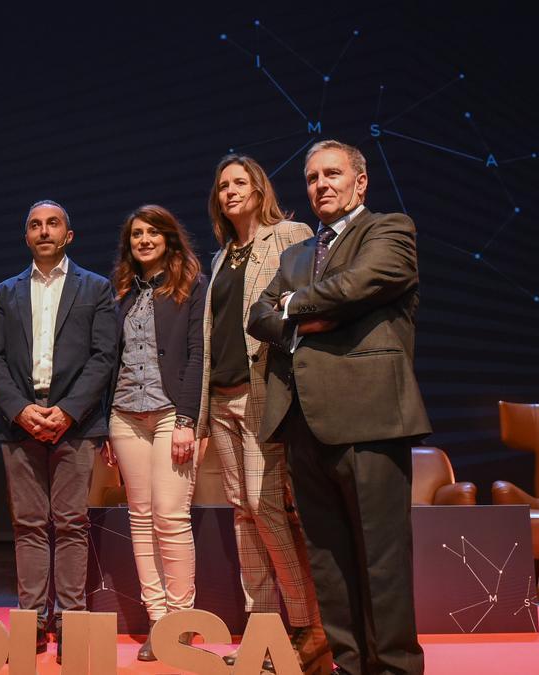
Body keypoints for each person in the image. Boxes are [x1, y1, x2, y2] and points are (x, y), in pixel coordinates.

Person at [247, 140, 431, 675]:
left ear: (360, 181)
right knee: (328, 560)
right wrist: (310, 312)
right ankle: (349, 665)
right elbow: (259, 316)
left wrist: (294, 309)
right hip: (303, 420)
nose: (322, 185)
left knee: (383, 559)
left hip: (370, 417)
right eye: (311, 178)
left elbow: (364, 282)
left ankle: (393, 667)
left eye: (333, 174)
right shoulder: (295, 255)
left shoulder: (390, 230)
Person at [196, 155, 330, 673]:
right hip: (222, 397)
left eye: (239, 182)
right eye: (222, 184)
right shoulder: (222, 256)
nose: (229, 191)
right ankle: (264, 636)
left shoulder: (290, 234)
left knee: (267, 508)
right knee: (243, 513)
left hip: (263, 393)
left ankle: (308, 627)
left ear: (259, 188)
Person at [0, 200, 117, 664]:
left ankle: (71, 620)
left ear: (69, 235)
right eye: (35, 225)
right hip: (21, 424)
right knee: (29, 525)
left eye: (52, 223)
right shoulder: (5, 292)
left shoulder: (96, 288)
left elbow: (104, 357)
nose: (44, 231)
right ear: (26, 238)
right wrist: (20, 410)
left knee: (72, 523)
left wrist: (68, 411)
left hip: (75, 426)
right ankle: (34, 618)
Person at [100, 205, 205, 661]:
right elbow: (109, 359)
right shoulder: (121, 292)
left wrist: (187, 420)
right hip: (125, 415)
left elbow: (199, 354)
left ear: (169, 237)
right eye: (136, 234)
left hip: (170, 415)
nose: (144, 239)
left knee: (170, 516)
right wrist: (106, 422)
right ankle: (157, 620)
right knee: (140, 517)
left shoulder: (190, 286)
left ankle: (182, 622)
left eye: (152, 232)